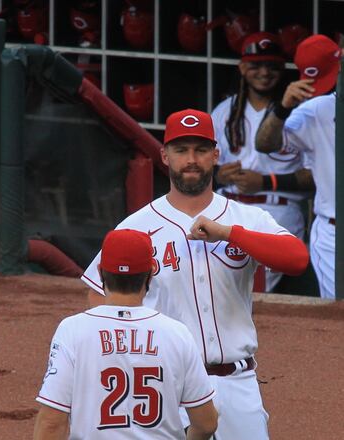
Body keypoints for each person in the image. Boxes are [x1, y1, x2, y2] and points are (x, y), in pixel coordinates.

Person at [81, 109, 309, 439]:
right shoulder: (136, 226)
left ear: (216, 155)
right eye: (181, 150)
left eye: (201, 150)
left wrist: (231, 233)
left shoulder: (244, 217)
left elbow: (297, 259)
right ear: (164, 154)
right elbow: (98, 298)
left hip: (236, 383)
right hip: (165, 384)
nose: (191, 159)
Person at [34, 229, 218, 440]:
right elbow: (206, 423)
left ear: (101, 272)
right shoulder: (177, 334)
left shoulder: (73, 330)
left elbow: (51, 422)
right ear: (150, 274)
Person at [211, 31, 314, 292]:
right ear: (242, 67)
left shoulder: (298, 112)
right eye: (256, 65)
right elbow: (200, 165)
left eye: (272, 66)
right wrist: (218, 175)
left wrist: (266, 181)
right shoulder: (225, 111)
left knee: (254, 294)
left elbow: (317, 176)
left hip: (279, 212)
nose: (264, 72)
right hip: (229, 208)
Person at [255, 34, 341, 299]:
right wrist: (282, 108)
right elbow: (265, 143)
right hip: (333, 231)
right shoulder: (314, 110)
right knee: (339, 319)